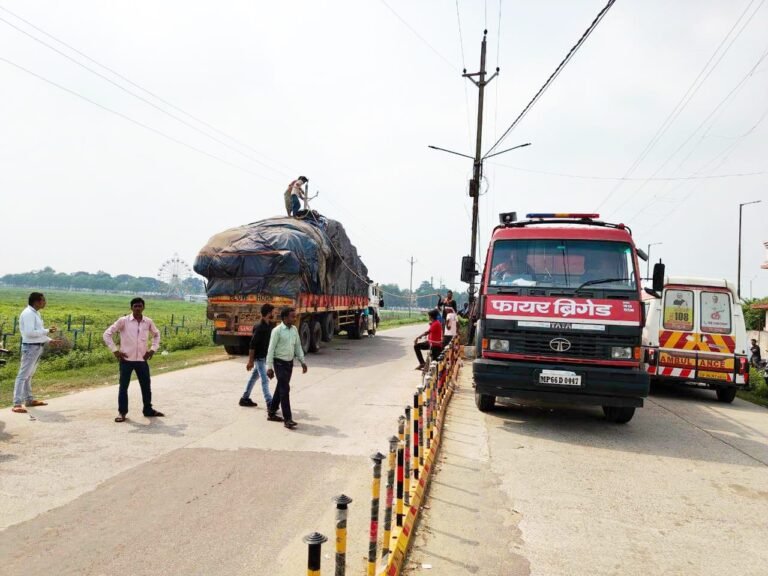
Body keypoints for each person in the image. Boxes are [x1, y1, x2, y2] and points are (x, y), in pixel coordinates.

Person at [103, 298, 164, 423]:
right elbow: (107, 334)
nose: (137, 308)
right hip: (126, 360)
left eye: (140, 306)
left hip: (142, 360)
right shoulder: (123, 321)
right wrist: (115, 350)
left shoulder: (148, 322)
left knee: (146, 386)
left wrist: (152, 349)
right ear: (131, 308)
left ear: (143, 307)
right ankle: (122, 412)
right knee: (123, 387)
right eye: (135, 306)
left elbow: (157, 334)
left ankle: (148, 410)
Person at [12, 292, 57, 414]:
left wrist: (49, 340)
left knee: (28, 375)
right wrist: (47, 331)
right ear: (36, 302)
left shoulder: (36, 313)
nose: (45, 302)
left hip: (36, 347)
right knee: (22, 376)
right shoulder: (28, 314)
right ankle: (17, 403)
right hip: (30, 348)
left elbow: (37, 332)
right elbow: (30, 333)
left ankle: (29, 400)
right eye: (43, 300)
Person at [266, 307, 307, 429]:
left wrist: (302, 361)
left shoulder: (294, 330)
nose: (294, 318)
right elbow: (271, 349)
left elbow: (298, 346)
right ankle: (288, 419)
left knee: (281, 387)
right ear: (284, 318)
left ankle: (272, 412)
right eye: (292, 316)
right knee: (285, 389)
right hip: (279, 363)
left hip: (289, 364)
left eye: (295, 316)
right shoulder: (277, 331)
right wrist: (269, 367)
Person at [242, 303, 275, 407]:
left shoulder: (270, 325)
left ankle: (244, 398)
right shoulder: (259, 327)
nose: (274, 313)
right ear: (269, 313)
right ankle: (269, 402)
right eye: (273, 312)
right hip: (259, 358)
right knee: (265, 379)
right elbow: (252, 345)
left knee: (253, 378)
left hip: (264, 357)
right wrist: (250, 361)